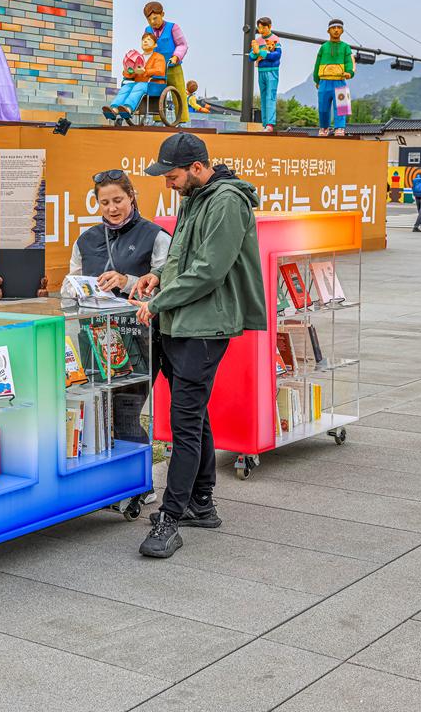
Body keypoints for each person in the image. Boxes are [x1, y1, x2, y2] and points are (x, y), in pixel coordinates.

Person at [128, 133, 267, 559]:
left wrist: (159, 300)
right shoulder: (194, 195)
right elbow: (182, 258)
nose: (168, 184)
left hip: (205, 326)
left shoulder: (226, 201)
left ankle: (172, 518)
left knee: (184, 424)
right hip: (182, 320)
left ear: (198, 167)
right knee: (194, 414)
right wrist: (158, 278)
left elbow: (209, 270)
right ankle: (201, 503)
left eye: (172, 176)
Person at [61, 170, 169, 444]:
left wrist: (126, 280)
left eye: (118, 200)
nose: (112, 208)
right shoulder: (85, 240)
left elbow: (170, 286)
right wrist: (75, 289)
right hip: (92, 338)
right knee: (96, 416)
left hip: (139, 339)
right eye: (105, 202)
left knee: (126, 417)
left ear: (132, 197)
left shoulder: (155, 236)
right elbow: (69, 285)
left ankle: (140, 484)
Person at [103, 33, 167, 124]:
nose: (145, 41)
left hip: (154, 84)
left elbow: (160, 71)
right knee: (126, 87)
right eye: (143, 40)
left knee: (138, 87)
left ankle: (128, 108)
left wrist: (145, 71)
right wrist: (129, 72)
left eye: (149, 40)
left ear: (155, 45)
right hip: (138, 83)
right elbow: (128, 73)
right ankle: (114, 109)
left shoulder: (159, 57)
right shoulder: (136, 57)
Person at [143, 1, 189, 125]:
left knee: (178, 91)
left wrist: (176, 56)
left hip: (173, 66)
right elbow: (146, 45)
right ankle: (158, 119)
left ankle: (182, 120)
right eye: (149, 19)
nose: (153, 22)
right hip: (157, 68)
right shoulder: (148, 30)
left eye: (155, 18)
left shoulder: (173, 27)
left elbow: (182, 44)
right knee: (157, 92)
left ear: (162, 14)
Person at [312, 19, 354, 137]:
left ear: (342, 31)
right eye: (333, 28)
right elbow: (317, 64)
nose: (336, 30)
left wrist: (350, 72)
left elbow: (350, 61)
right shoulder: (323, 47)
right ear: (328, 30)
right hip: (324, 81)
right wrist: (316, 79)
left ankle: (340, 128)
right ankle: (324, 127)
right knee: (323, 107)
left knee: (342, 106)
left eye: (339, 28)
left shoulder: (346, 47)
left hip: (340, 80)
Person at [249, 16, 281, 132]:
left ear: (269, 27)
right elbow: (251, 57)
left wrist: (260, 52)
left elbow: (276, 55)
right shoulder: (257, 41)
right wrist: (254, 52)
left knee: (270, 97)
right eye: (259, 27)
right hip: (261, 71)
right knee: (263, 97)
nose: (261, 30)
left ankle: (270, 124)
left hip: (272, 72)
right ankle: (264, 123)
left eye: (263, 27)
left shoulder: (275, 39)